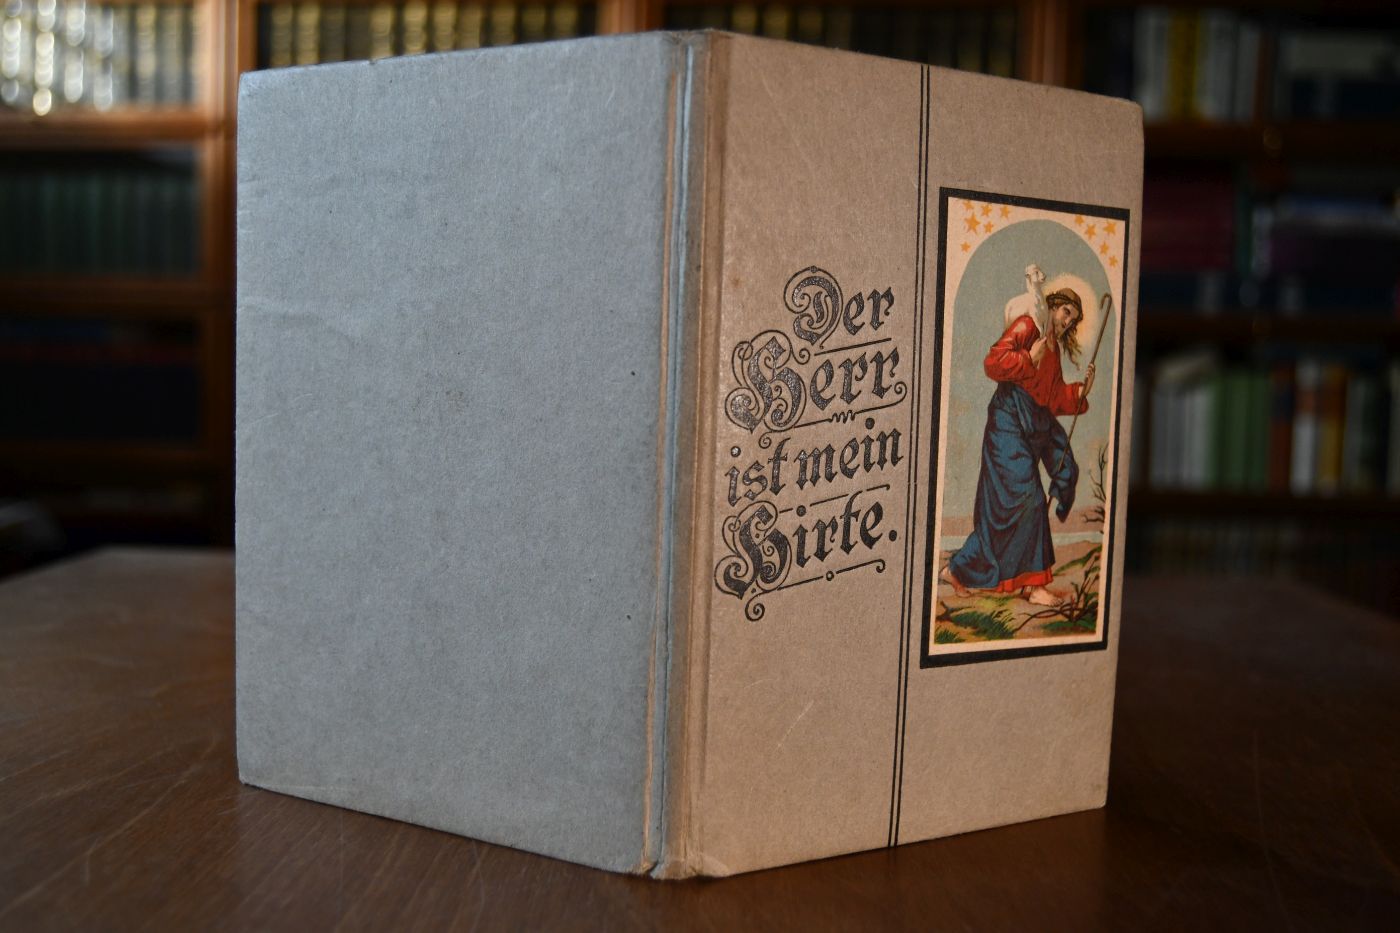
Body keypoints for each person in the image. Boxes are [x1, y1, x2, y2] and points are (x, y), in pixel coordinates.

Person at [943, 287, 1095, 607]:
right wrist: (1028, 358)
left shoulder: (1052, 347)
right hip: (1008, 422)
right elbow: (993, 362)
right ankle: (983, 574)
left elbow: (1051, 396)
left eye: (1073, 319)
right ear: (1052, 305)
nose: (1068, 322)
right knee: (1027, 501)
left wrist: (1079, 393)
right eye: (1066, 312)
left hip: (1033, 420)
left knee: (1020, 504)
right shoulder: (1028, 326)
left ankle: (1022, 583)